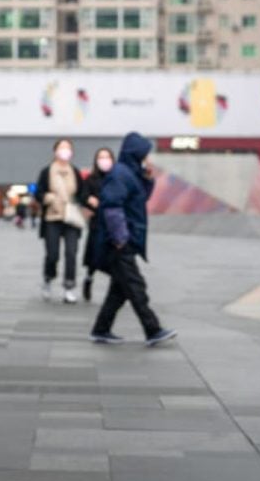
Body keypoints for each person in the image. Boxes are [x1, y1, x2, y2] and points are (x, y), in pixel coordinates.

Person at [89, 132, 177, 347]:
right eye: (145, 154)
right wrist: (120, 238)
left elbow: (138, 200)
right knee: (136, 286)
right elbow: (111, 206)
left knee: (119, 290)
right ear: (136, 153)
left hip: (125, 240)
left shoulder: (130, 174)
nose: (148, 158)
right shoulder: (120, 174)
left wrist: (147, 180)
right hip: (119, 243)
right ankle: (152, 329)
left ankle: (101, 329)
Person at [35, 139, 85, 303]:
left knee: (71, 253)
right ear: (55, 151)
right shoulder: (47, 171)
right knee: (52, 254)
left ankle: (69, 287)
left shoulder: (75, 172)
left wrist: (83, 201)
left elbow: (83, 193)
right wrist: (48, 197)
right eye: (62, 148)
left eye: (68, 148)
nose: (65, 151)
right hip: (52, 217)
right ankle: (48, 278)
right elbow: (38, 192)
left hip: (71, 218)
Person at [79, 147, 115, 302]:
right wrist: (89, 201)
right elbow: (83, 195)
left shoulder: (116, 178)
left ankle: (116, 286)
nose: (104, 160)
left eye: (107, 157)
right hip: (97, 223)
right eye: (101, 157)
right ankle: (88, 278)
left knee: (114, 257)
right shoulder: (91, 179)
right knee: (94, 256)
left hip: (113, 223)